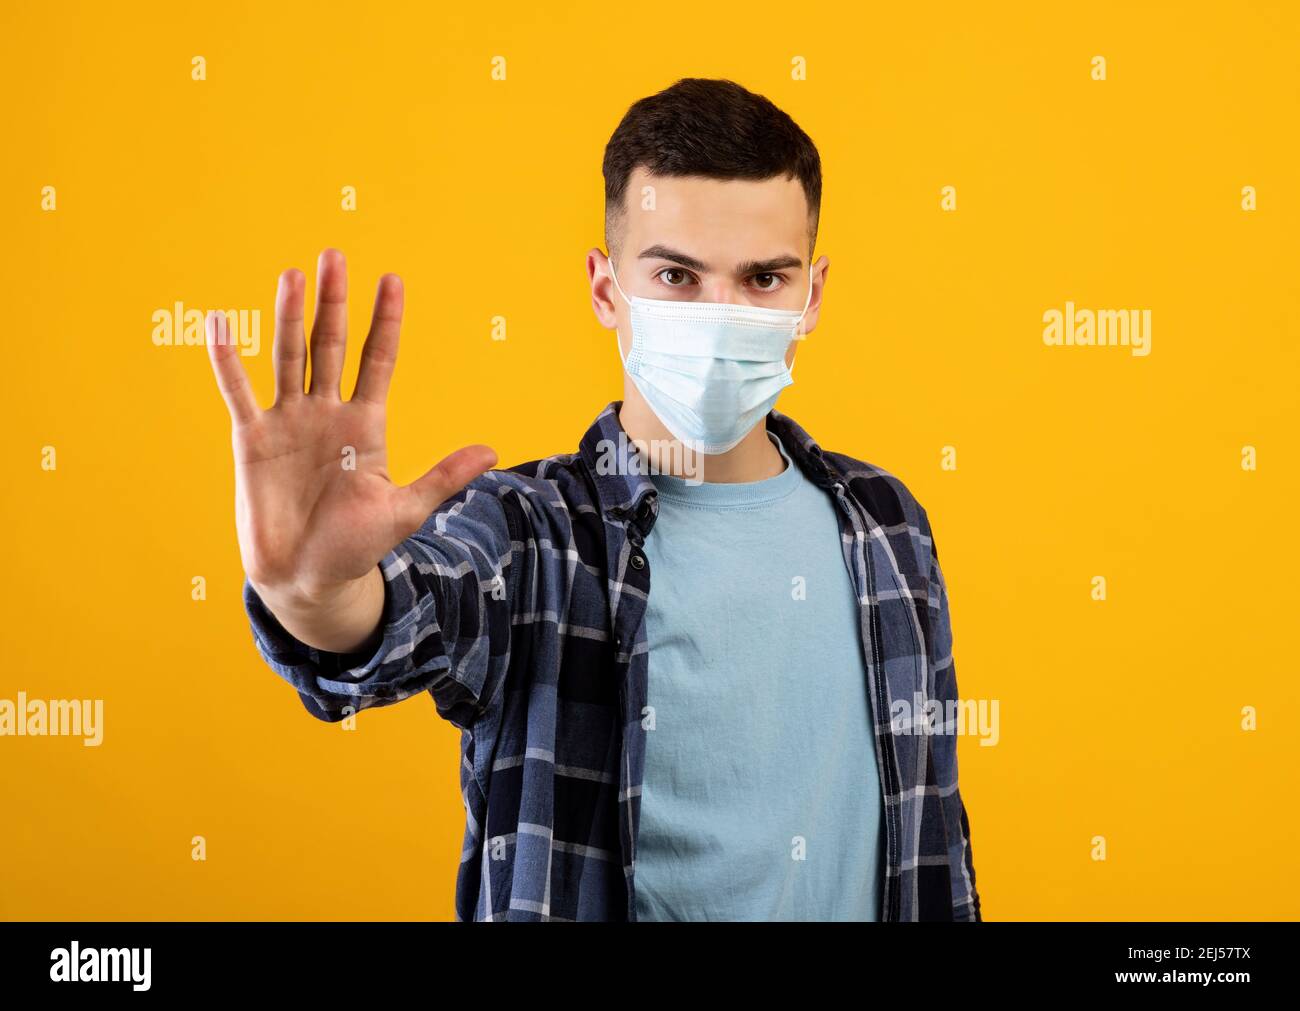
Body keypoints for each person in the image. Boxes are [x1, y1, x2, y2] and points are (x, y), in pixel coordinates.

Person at [204, 77, 980, 922]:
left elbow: (934, 837)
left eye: (763, 280)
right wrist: (313, 593)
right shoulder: (531, 535)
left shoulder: (887, 528)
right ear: (606, 289)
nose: (719, 316)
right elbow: (399, 619)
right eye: (677, 276)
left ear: (812, 297)